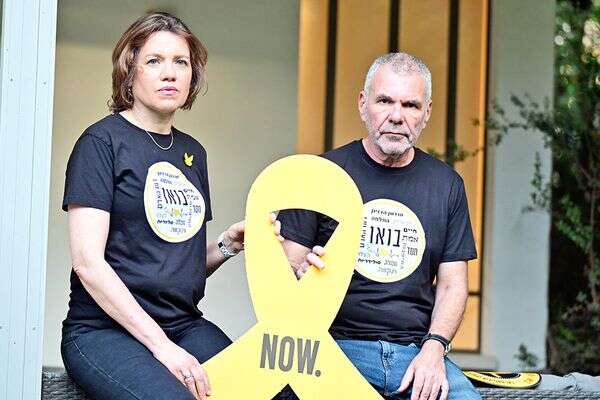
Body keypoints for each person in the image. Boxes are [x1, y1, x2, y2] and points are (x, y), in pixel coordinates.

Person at [60, 12, 282, 400]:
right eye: (154, 61)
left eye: (181, 62)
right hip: (103, 331)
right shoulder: (101, 143)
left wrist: (228, 244)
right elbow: (88, 264)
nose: (170, 73)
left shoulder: (192, 153)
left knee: (273, 391)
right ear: (130, 72)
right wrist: (162, 347)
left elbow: (179, 266)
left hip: (182, 325)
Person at [278, 53, 482, 400]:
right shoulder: (319, 175)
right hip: (332, 347)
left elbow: (452, 285)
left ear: (427, 113)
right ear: (363, 104)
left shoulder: (446, 185)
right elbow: (284, 274)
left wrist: (434, 349)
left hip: (415, 354)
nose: (397, 116)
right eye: (385, 101)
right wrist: (300, 277)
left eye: (411, 105)